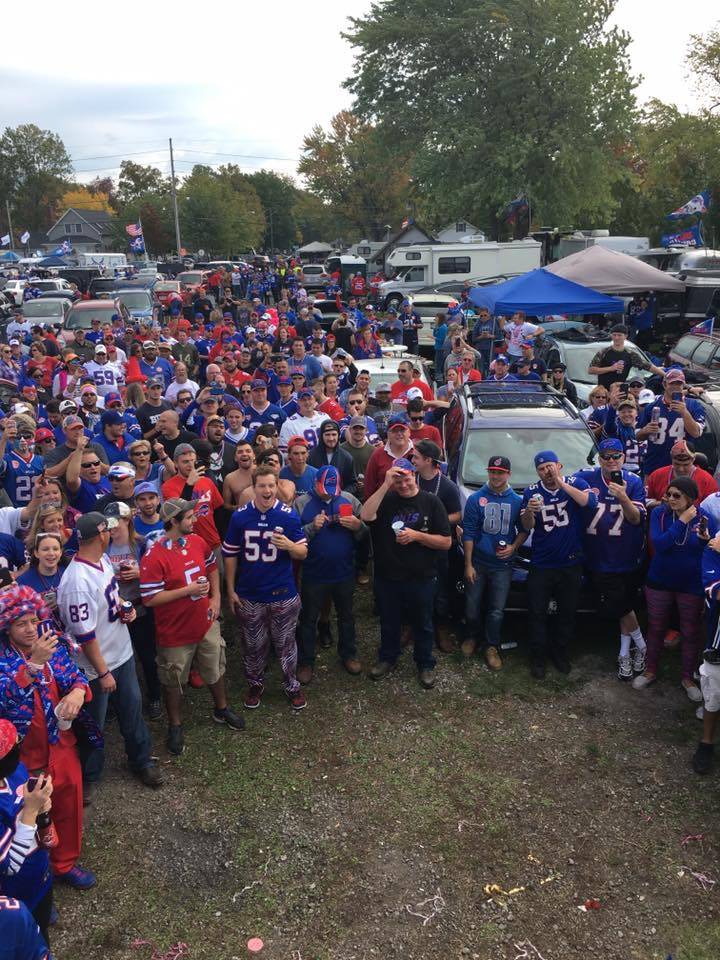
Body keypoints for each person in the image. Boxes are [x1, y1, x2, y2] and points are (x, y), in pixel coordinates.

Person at [56, 513, 163, 796]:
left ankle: (140, 760)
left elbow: (112, 597)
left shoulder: (101, 560)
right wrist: (102, 672)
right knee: (94, 724)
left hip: (122, 653)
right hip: (94, 667)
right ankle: (90, 776)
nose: (112, 534)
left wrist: (125, 608)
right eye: (108, 530)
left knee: (132, 712)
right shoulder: (76, 580)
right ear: (100, 535)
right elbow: (84, 634)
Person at [0, 585, 96, 892]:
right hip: (24, 757)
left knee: (68, 804)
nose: (30, 629)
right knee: (32, 817)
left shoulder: (52, 645)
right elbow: (6, 699)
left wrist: (79, 692)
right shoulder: (3, 659)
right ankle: (40, 881)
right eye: (21, 623)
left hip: (60, 744)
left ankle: (64, 864)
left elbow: (76, 676)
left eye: (33, 620)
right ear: (6, 626)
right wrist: (33, 665)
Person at [139, 498, 244, 756]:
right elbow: (150, 598)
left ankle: (221, 708)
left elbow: (211, 568)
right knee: (173, 679)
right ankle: (175, 724)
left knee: (214, 665)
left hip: (205, 621)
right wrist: (187, 591)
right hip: (175, 632)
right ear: (173, 521)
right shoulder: (154, 555)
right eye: (189, 517)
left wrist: (215, 598)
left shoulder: (197, 541)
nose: (194, 520)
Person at [222, 466, 308, 711]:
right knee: (252, 643)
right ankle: (255, 683)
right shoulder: (240, 516)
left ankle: (291, 685)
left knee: (285, 642)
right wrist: (230, 588)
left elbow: (303, 551)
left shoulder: (288, 515)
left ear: (277, 485)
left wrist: (290, 545)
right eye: (262, 485)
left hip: (282, 591)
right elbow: (230, 554)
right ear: (253, 487)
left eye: (271, 485)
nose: (267, 490)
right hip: (250, 592)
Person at [361, 459, 451, 688]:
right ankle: (387, 658)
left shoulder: (431, 502)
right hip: (388, 575)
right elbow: (365, 516)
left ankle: (425, 663)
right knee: (389, 621)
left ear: (415, 475)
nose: (403, 484)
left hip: (421, 577)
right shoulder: (387, 500)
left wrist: (417, 536)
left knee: (423, 622)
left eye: (406, 478)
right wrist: (384, 485)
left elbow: (446, 542)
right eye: (397, 480)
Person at [632, 476, 712, 700]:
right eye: (669, 494)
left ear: (690, 497)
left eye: (677, 495)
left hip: (691, 584)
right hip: (660, 581)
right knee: (656, 627)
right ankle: (650, 670)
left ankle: (687, 677)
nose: (671, 499)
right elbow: (660, 544)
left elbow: (712, 548)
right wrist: (683, 520)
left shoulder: (706, 518)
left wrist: (706, 540)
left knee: (690, 632)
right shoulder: (660, 514)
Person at [574, 439, 647, 680]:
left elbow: (636, 519)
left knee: (622, 607)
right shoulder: (586, 478)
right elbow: (563, 485)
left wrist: (623, 497)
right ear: (599, 458)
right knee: (622, 606)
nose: (611, 460)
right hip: (598, 555)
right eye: (606, 456)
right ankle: (637, 648)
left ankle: (628, 652)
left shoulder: (634, 481)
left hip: (625, 555)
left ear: (624, 458)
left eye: (616, 456)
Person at [520, 450, 596, 679]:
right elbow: (527, 525)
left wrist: (562, 485)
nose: (547, 472)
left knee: (567, 612)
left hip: (570, 561)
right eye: (542, 469)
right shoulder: (532, 491)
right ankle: (538, 657)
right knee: (537, 612)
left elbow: (590, 503)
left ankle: (560, 653)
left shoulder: (575, 482)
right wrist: (529, 512)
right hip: (542, 562)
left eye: (550, 467)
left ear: (559, 466)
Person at [295, 466, 366, 683]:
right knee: (308, 618)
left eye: (332, 489)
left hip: (343, 572)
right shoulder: (302, 503)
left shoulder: (349, 499)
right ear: (315, 483)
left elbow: (366, 534)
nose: (329, 493)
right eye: (324, 488)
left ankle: (348, 654)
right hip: (313, 573)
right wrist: (311, 527)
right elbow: (293, 538)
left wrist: (358, 526)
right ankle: (306, 661)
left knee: (346, 616)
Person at [461, 455, 525, 669]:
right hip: (478, 561)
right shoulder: (475, 499)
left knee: (497, 609)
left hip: (503, 566)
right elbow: (468, 532)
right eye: (492, 472)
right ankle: (471, 636)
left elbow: (525, 530)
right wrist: (468, 564)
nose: (496, 476)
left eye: (500, 472)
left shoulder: (517, 500)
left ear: (508, 474)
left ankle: (491, 645)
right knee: (472, 605)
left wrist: (514, 547)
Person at [636, 369, 705, 475]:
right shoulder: (651, 407)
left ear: (683, 385)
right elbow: (636, 437)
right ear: (664, 384)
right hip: (654, 464)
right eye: (672, 383)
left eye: (679, 383)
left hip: (682, 466)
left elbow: (696, 433)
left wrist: (684, 412)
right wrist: (645, 430)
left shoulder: (694, 405)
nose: (676, 386)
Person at [161, 445, 224, 555]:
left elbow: (219, 513)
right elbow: (177, 514)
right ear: (176, 463)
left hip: (212, 543)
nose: (190, 465)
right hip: (185, 545)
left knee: (219, 573)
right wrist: (189, 485)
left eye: (193, 461)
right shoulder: (168, 486)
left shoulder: (207, 481)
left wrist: (221, 538)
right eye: (185, 462)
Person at [693, 535, 720, 775]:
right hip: (718, 644)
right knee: (713, 696)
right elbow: (716, 592)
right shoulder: (715, 547)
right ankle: (707, 742)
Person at [587, 323, 664, 389]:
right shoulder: (603, 352)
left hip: (620, 390)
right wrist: (611, 368)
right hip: (603, 391)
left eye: (619, 335)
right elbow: (591, 370)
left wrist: (665, 375)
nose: (616, 338)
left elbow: (648, 366)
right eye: (614, 335)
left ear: (625, 336)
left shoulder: (630, 354)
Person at [646, 439, 716, 508]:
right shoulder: (657, 475)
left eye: (686, 465)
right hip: (662, 517)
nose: (681, 469)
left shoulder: (707, 480)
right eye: (677, 464)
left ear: (693, 459)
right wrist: (661, 504)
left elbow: (713, 508)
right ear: (671, 459)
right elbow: (644, 500)